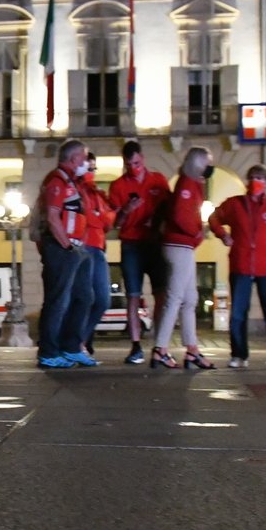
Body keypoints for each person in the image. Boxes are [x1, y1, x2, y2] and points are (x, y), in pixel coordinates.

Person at [208, 163, 266, 371]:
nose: (255, 181)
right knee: (239, 313)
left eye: (260, 177)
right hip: (240, 265)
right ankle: (239, 355)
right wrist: (223, 235)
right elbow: (214, 218)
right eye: (252, 177)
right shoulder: (234, 205)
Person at [108, 140, 172, 365]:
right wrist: (126, 210)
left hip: (155, 243)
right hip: (131, 244)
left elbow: (169, 209)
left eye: (136, 163)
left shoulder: (158, 180)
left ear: (142, 159)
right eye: (129, 164)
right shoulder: (117, 187)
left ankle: (159, 344)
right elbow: (115, 223)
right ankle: (135, 345)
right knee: (133, 296)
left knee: (161, 295)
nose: (133, 168)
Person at [151, 145, 215, 369]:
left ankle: (192, 349)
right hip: (179, 244)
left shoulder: (191, 183)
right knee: (176, 298)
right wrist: (196, 232)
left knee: (189, 300)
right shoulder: (188, 184)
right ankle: (160, 348)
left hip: (181, 245)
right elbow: (180, 214)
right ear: (199, 164)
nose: (210, 168)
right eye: (207, 163)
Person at [35, 139, 95, 369]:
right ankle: (48, 352)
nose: (86, 162)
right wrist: (68, 247)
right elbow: (52, 216)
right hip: (63, 248)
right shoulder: (57, 181)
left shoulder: (72, 182)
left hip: (75, 248)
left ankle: (71, 347)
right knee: (57, 300)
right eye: (84, 157)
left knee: (84, 297)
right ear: (73, 158)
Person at [78, 150, 116, 358]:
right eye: (88, 167)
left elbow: (107, 222)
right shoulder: (79, 189)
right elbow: (96, 220)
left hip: (98, 247)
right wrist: (101, 217)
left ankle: (80, 341)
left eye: (93, 168)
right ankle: (78, 344)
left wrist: (101, 216)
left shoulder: (96, 193)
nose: (91, 172)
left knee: (102, 300)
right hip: (84, 247)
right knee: (86, 298)